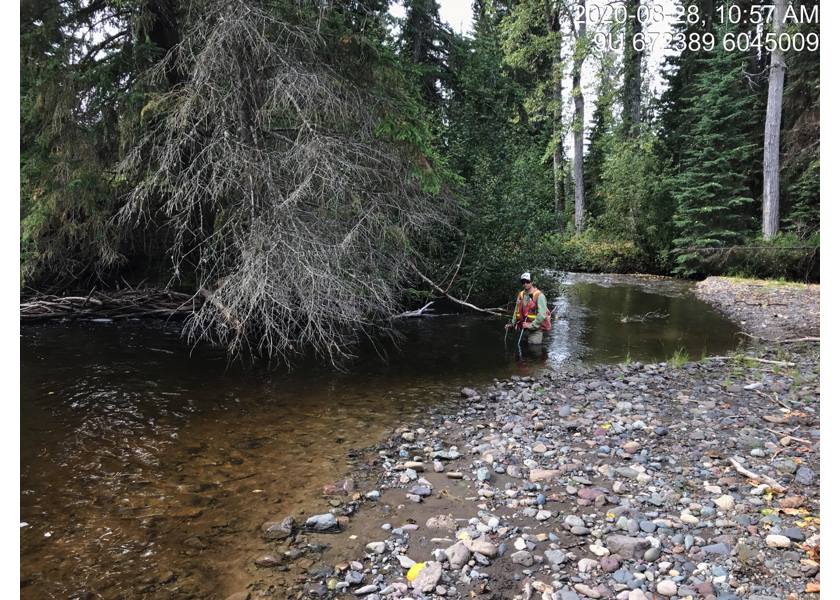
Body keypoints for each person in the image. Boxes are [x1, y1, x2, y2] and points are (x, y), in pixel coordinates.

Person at [505, 272, 551, 344]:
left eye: (527, 282)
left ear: (532, 282)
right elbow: (516, 311)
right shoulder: (520, 295)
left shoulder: (540, 296)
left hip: (536, 330)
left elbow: (542, 315)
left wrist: (530, 326)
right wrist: (512, 325)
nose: (525, 284)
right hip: (524, 328)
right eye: (523, 282)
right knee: (523, 349)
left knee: (533, 350)